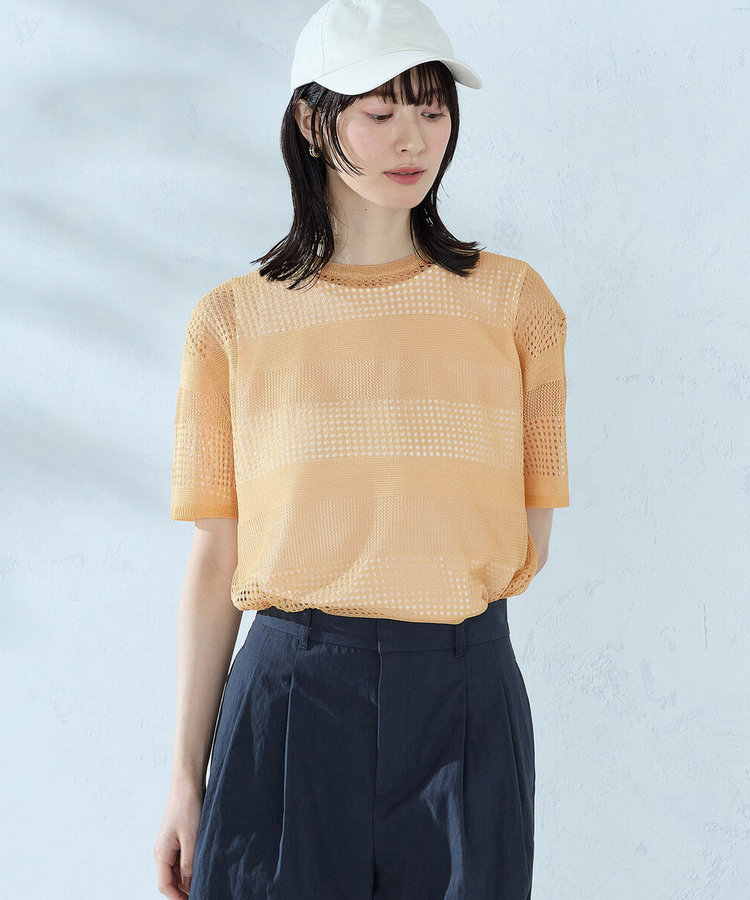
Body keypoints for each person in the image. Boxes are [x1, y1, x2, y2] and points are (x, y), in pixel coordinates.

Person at [153, 0, 570, 897]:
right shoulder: (231, 323)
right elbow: (216, 558)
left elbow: (528, 539)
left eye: (432, 108)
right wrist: (185, 777)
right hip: (290, 699)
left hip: (464, 697)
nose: (413, 137)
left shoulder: (515, 306)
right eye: (380, 111)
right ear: (314, 124)